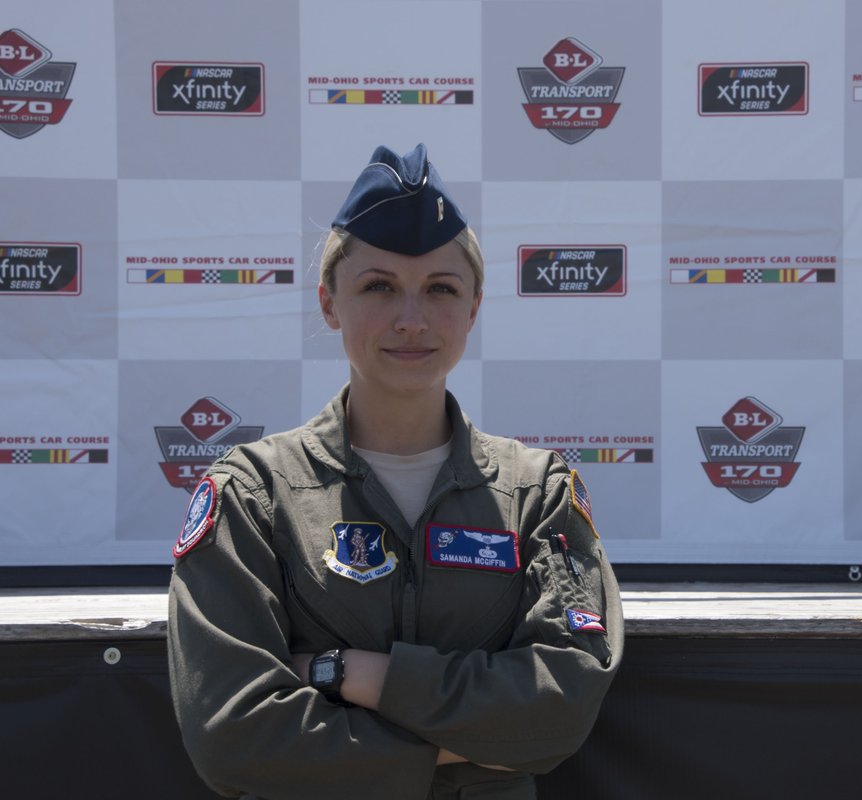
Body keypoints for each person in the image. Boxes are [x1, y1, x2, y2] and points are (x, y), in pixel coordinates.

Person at [167, 143, 623, 800]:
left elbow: (560, 708)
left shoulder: (536, 494)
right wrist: (472, 745)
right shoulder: (252, 494)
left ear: (473, 307)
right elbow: (232, 735)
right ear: (329, 304)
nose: (411, 319)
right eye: (378, 286)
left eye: (440, 289)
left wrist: (349, 672)